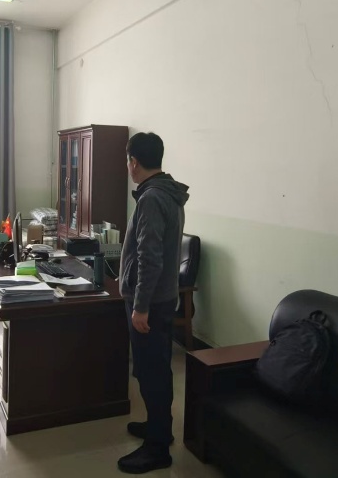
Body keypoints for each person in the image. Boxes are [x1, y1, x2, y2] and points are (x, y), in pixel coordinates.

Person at [117, 132, 190, 474]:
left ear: (134, 162)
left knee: (152, 372)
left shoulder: (151, 198)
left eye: (128, 161)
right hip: (162, 297)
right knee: (154, 368)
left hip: (151, 302)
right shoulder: (167, 192)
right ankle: (158, 426)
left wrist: (141, 306)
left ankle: (158, 448)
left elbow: (150, 257)